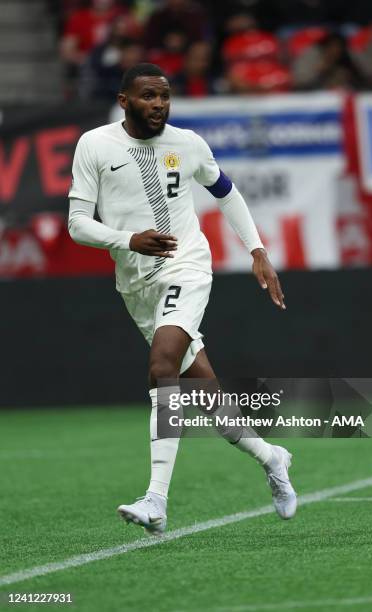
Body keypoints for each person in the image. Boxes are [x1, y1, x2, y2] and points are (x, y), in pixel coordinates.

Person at [68, 63, 297, 534]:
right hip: (136, 283)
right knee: (208, 397)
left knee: (161, 367)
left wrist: (258, 251)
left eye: (165, 97)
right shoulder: (95, 144)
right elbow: (77, 224)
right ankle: (273, 457)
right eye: (148, 96)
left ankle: (156, 500)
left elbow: (227, 193)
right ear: (125, 100)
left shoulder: (188, 144)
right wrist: (127, 240)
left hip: (187, 267)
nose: (158, 105)